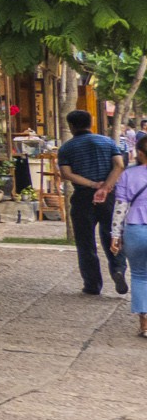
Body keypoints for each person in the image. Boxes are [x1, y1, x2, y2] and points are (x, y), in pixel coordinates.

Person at [58, 109, 126, 295]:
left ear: (71, 126)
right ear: (91, 122)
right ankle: (118, 270)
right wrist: (106, 187)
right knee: (113, 236)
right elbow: (119, 165)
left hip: (83, 197)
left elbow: (66, 173)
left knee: (85, 242)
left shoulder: (67, 148)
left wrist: (92, 184)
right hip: (110, 197)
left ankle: (92, 284)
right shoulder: (107, 141)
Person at [111, 136, 147, 338]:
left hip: (135, 229)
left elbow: (120, 207)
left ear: (140, 153)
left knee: (140, 276)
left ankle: (145, 324)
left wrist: (115, 235)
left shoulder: (128, 175)